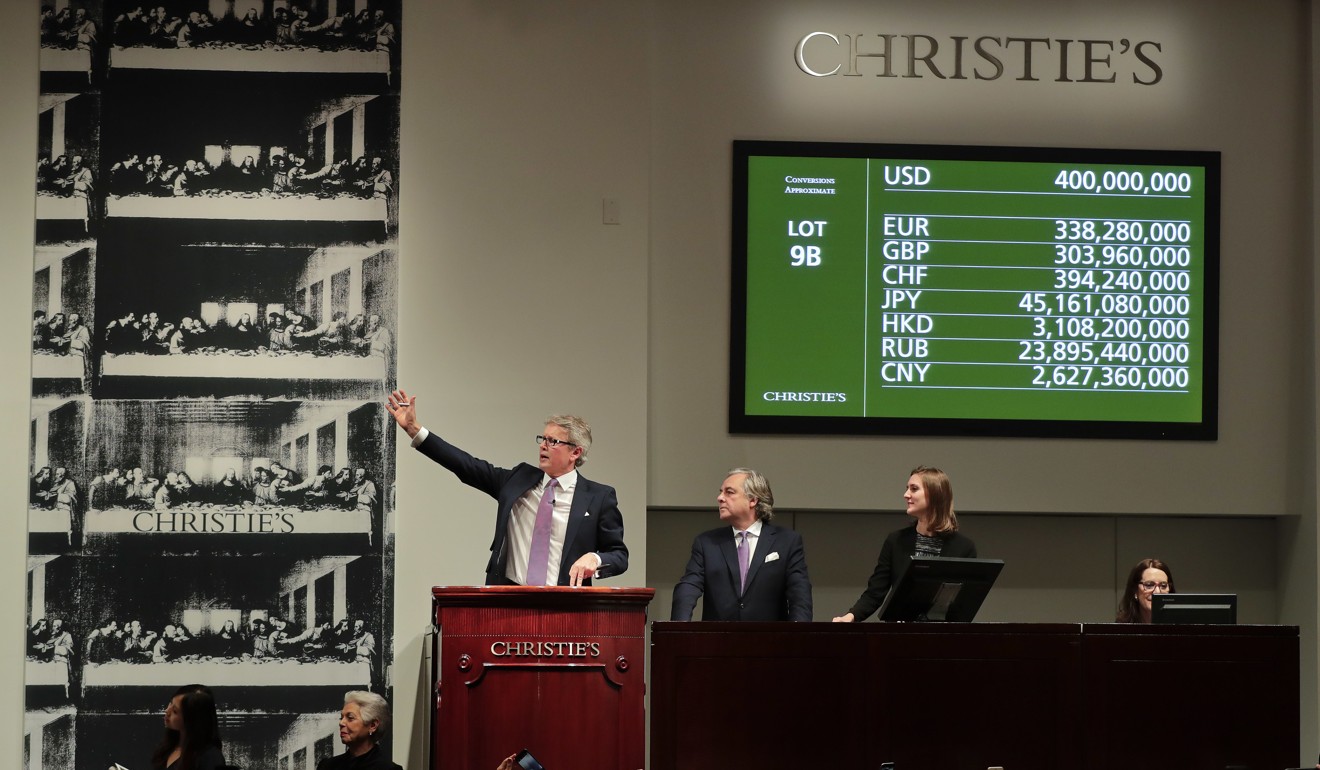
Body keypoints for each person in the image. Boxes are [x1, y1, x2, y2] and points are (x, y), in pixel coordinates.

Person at [386, 389, 628, 587]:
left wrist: (595, 559)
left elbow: (618, 554)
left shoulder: (598, 497)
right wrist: (415, 431)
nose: (543, 446)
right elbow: (467, 465)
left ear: (576, 452)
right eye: (542, 439)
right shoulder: (520, 479)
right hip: (508, 599)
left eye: (553, 441)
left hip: (565, 607)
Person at [832, 466, 976, 623]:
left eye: (914, 489)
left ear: (935, 494)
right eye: (907, 488)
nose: (906, 494)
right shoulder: (895, 541)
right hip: (900, 636)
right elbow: (875, 592)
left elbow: (963, 605)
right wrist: (850, 617)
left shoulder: (964, 547)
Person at [669, 468, 812, 621]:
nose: (720, 498)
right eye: (721, 492)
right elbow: (688, 588)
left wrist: (799, 640)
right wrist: (678, 630)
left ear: (753, 500)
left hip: (770, 642)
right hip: (719, 641)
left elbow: (799, 595)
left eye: (729, 492)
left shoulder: (787, 541)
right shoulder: (706, 543)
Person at [317, 691, 402, 770]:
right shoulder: (327, 766)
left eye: (350, 718)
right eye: (341, 717)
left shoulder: (389, 769)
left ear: (373, 725)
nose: (341, 723)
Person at [150, 683, 225, 770]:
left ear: (192, 719)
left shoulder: (210, 757)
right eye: (170, 703)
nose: (167, 711)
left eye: (175, 711)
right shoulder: (169, 746)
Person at [1115, 557, 1176, 624]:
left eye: (1163, 585)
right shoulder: (1121, 630)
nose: (1157, 592)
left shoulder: (1180, 628)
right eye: (1149, 585)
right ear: (1135, 591)